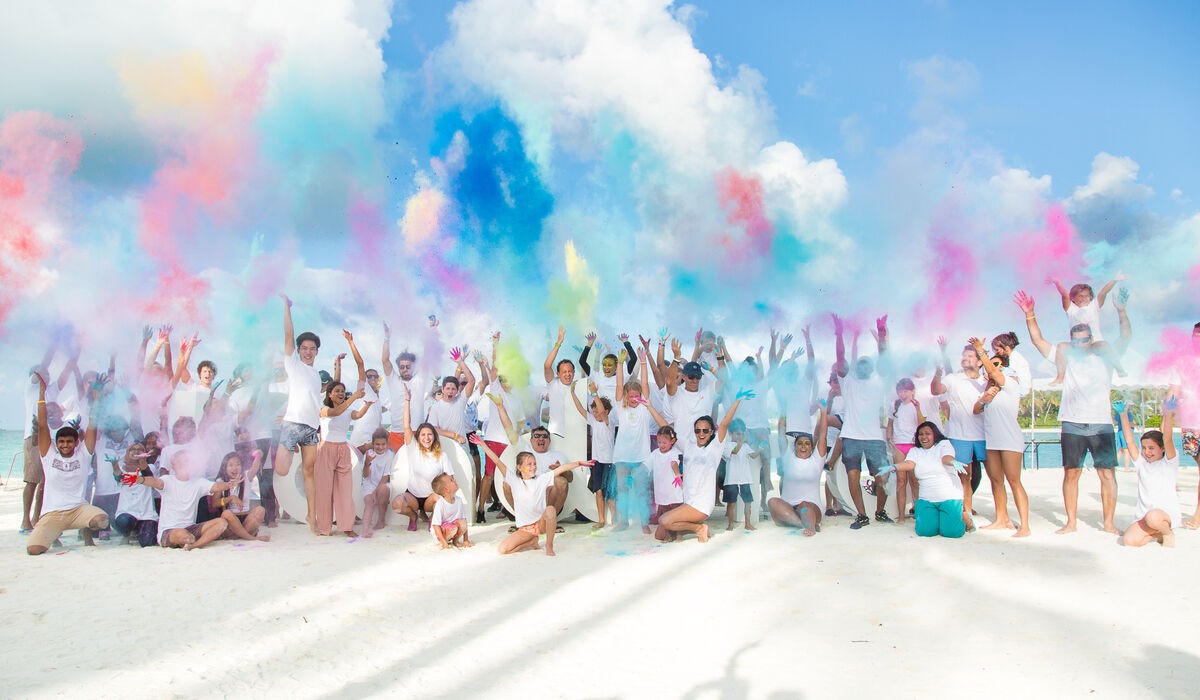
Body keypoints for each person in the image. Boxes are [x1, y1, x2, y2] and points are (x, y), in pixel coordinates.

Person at [1017, 290, 1121, 534]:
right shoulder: (1067, 357)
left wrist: (1121, 310)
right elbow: (1038, 341)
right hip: (1072, 423)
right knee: (1071, 473)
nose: (1080, 344)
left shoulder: (1104, 357)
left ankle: (1108, 524)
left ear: (1091, 339)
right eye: (1076, 341)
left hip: (1101, 422)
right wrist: (1030, 315)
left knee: (1106, 474)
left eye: (1085, 340)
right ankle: (1071, 523)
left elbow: (1124, 336)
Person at [27, 372, 108, 555]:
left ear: (76, 442)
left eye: (69, 441)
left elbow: (93, 424)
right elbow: (42, 426)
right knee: (34, 550)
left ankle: (85, 534)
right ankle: (54, 534)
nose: (65, 445)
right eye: (61, 442)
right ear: (57, 443)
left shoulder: (83, 455)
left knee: (101, 520)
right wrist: (42, 392)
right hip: (53, 514)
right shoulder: (48, 455)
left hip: (78, 510)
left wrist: (97, 398)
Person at [655, 389, 751, 543]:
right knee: (659, 535)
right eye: (698, 430)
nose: (701, 433)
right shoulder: (688, 445)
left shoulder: (715, 447)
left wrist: (737, 401)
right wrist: (648, 406)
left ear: (711, 431)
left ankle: (699, 528)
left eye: (705, 430)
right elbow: (665, 428)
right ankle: (686, 528)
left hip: (701, 504)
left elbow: (725, 423)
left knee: (664, 520)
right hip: (688, 501)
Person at [471, 435, 592, 556]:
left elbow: (561, 469)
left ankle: (549, 546)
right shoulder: (514, 480)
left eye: (534, 464)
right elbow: (497, 461)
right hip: (525, 529)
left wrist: (579, 463)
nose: (533, 467)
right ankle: (531, 542)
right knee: (503, 550)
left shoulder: (541, 479)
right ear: (520, 467)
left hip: (540, 524)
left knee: (550, 510)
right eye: (529, 464)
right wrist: (482, 445)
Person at [833, 314, 892, 529]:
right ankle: (861, 514)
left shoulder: (879, 381)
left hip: (875, 438)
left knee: (882, 478)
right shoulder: (848, 382)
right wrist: (839, 333)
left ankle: (880, 511)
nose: (864, 366)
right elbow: (840, 357)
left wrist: (883, 334)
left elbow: (884, 358)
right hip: (851, 436)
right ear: (856, 368)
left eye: (868, 364)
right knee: (853, 476)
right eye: (861, 364)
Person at [970, 337, 1031, 537]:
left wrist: (980, 350)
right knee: (996, 480)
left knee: (1014, 481)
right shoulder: (990, 389)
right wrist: (985, 398)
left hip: (1010, 440)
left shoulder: (1011, 384)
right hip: (992, 440)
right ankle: (1000, 519)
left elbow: (994, 370)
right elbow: (976, 410)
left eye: (995, 367)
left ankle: (1025, 526)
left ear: (1003, 368)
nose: (989, 371)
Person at [273, 294, 323, 529]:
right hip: (292, 424)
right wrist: (287, 308)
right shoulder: (293, 365)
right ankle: (286, 450)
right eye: (304, 348)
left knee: (309, 472)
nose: (307, 352)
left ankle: (311, 515)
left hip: (312, 428)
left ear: (316, 351)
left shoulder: (316, 374)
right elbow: (288, 336)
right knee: (282, 469)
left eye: (312, 349)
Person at [314, 330, 369, 538]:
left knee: (345, 491)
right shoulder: (324, 410)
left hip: (343, 450)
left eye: (342, 391)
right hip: (325, 450)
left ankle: (346, 526)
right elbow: (336, 410)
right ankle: (324, 527)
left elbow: (353, 413)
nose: (339, 393)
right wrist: (354, 395)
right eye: (336, 391)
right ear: (329, 394)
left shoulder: (347, 410)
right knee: (324, 490)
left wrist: (349, 345)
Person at [930, 342, 987, 532]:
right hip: (959, 436)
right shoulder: (953, 378)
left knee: (994, 476)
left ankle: (1001, 517)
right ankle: (967, 514)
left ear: (979, 361)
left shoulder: (986, 380)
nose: (965, 358)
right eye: (963, 355)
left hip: (984, 436)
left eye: (970, 356)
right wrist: (937, 373)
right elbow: (936, 390)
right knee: (964, 478)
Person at [611, 348, 669, 532]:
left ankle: (644, 522)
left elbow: (644, 382)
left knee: (642, 491)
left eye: (638, 394)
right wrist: (620, 364)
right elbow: (619, 385)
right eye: (631, 395)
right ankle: (623, 522)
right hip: (621, 455)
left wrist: (643, 363)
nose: (634, 398)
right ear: (626, 397)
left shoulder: (644, 408)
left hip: (641, 457)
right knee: (622, 491)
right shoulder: (621, 407)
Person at [127, 450, 233, 550]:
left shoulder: (198, 482)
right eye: (180, 462)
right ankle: (193, 542)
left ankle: (195, 545)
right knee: (185, 536)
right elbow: (155, 482)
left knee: (221, 522)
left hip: (190, 527)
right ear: (173, 466)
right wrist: (140, 479)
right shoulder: (167, 480)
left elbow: (217, 486)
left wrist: (229, 485)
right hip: (169, 531)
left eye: (187, 461)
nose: (184, 464)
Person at [887, 421, 967, 538]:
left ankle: (965, 518)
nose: (923, 437)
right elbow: (909, 464)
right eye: (921, 434)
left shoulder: (944, 444)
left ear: (935, 434)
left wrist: (953, 462)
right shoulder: (915, 451)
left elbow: (946, 458)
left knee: (951, 533)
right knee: (925, 532)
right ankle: (942, 518)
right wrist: (894, 467)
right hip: (927, 498)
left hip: (949, 497)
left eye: (927, 434)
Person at [1117, 399, 1179, 547]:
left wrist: (1169, 414)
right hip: (1145, 517)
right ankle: (1157, 533)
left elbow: (1168, 438)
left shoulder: (1169, 463)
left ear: (1162, 448)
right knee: (1129, 541)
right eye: (1144, 448)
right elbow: (1130, 441)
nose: (1147, 452)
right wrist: (1123, 415)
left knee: (1153, 517)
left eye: (1151, 448)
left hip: (1164, 515)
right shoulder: (1141, 464)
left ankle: (1167, 533)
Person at [392, 386, 453, 531]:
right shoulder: (413, 450)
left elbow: (450, 480)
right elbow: (406, 426)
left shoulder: (442, 456)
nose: (426, 438)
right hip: (413, 496)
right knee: (397, 504)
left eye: (430, 434)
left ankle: (432, 517)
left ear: (434, 437)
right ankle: (414, 517)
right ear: (418, 438)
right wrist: (407, 400)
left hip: (430, 499)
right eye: (423, 435)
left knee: (440, 500)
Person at [1048, 273, 1127, 383]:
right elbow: (1064, 295)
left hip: (1093, 344)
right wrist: (1057, 282)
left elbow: (1103, 292)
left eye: (1086, 296)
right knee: (1061, 346)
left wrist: (1115, 279)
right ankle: (1060, 376)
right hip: (1077, 345)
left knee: (1104, 345)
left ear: (1091, 297)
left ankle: (1119, 368)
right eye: (1080, 296)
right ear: (1073, 298)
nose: (1084, 298)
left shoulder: (1094, 306)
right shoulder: (1071, 309)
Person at [768, 407, 830, 536]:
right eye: (800, 443)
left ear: (812, 448)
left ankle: (810, 526)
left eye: (807, 444)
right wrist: (783, 408)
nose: (803, 446)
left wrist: (823, 412)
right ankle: (802, 524)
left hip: (811, 507)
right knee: (772, 502)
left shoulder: (817, 460)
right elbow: (781, 432)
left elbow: (823, 435)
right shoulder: (788, 457)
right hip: (788, 508)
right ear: (794, 446)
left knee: (804, 505)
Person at [380, 317, 437, 450]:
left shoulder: (419, 379)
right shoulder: (393, 379)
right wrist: (387, 338)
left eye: (408, 366)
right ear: (398, 368)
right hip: (396, 433)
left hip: (417, 432)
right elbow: (385, 360)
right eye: (402, 367)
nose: (405, 369)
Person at [1167, 322, 1200, 529]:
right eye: (1195, 336)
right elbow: (1173, 391)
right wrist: (1166, 418)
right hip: (1190, 424)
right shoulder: (1182, 362)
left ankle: (1197, 515)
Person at [571, 389, 615, 528]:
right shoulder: (594, 422)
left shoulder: (609, 422)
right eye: (594, 412)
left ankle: (615, 521)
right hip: (596, 462)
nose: (595, 414)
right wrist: (573, 393)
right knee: (598, 491)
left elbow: (602, 412)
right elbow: (580, 409)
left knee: (610, 493)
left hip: (609, 462)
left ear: (606, 411)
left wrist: (595, 394)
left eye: (598, 411)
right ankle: (601, 520)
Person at [209, 451, 270, 542]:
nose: (234, 468)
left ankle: (238, 535)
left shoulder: (246, 476)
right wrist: (231, 498)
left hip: (245, 519)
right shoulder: (220, 481)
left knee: (260, 510)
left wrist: (259, 455)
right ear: (225, 468)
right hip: (230, 521)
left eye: (238, 464)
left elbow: (255, 467)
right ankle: (250, 537)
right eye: (230, 465)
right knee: (227, 513)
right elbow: (214, 503)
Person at [886, 378, 923, 524]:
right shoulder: (894, 405)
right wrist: (889, 437)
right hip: (899, 445)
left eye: (906, 390)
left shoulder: (916, 405)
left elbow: (922, 424)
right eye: (900, 391)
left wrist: (919, 408)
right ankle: (901, 516)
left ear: (913, 391)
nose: (903, 394)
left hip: (913, 446)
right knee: (901, 481)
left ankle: (918, 512)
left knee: (915, 480)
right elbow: (890, 423)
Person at [113, 442, 159, 547]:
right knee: (123, 522)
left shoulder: (151, 467)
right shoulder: (121, 467)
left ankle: (139, 531)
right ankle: (126, 534)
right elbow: (118, 477)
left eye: (140, 449)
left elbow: (148, 475)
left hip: (146, 514)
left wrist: (142, 460)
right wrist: (114, 465)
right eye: (132, 449)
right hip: (127, 511)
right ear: (127, 453)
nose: (136, 451)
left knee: (147, 542)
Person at [578, 331, 636, 407]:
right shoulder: (597, 377)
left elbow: (634, 359)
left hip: (620, 413)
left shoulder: (622, 375)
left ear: (616, 366)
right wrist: (589, 344)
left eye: (609, 365)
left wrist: (626, 342)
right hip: (603, 413)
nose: (606, 368)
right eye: (604, 365)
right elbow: (582, 361)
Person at [722, 418, 759, 532]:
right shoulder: (727, 445)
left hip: (745, 479)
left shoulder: (746, 446)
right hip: (731, 480)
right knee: (731, 503)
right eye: (738, 434)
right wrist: (741, 442)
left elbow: (753, 455)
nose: (740, 436)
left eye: (742, 434)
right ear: (730, 433)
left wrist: (761, 449)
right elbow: (735, 451)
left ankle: (748, 523)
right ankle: (730, 524)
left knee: (748, 502)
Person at [542, 326, 576, 436]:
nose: (567, 374)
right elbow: (547, 365)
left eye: (570, 371)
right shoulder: (553, 383)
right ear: (558, 374)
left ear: (574, 372)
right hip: (555, 433)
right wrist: (558, 343)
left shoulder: (577, 387)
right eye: (564, 372)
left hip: (573, 435)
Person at [360, 428, 394, 538]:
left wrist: (375, 492)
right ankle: (365, 529)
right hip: (369, 483)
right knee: (369, 501)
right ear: (373, 444)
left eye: (383, 444)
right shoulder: (368, 454)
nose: (380, 447)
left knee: (382, 489)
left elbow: (385, 477)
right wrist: (367, 463)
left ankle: (381, 520)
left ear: (387, 443)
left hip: (382, 483)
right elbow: (365, 475)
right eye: (377, 444)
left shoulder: (389, 455)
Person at [648, 425, 683, 524]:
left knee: (673, 513)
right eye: (659, 442)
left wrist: (677, 475)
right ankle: (661, 518)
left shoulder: (674, 452)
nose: (661, 445)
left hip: (673, 491)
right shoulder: (655, 453)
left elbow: (674, 463)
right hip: (661, 491)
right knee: (662, 508)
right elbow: (646, 464)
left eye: (664, 442)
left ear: (672, 441)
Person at [429, 472, 472, 548]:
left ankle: (455, 541)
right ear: (446, 489)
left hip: (452, 528)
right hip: (441, 533)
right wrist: (443, 542)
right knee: (452, 527)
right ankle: (445, 541)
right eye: (451, 480)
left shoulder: (459, 500)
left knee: (463, 523)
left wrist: (466, 540)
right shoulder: (440, 504)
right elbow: (436, 526)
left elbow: (464, 519)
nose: (455, 480)